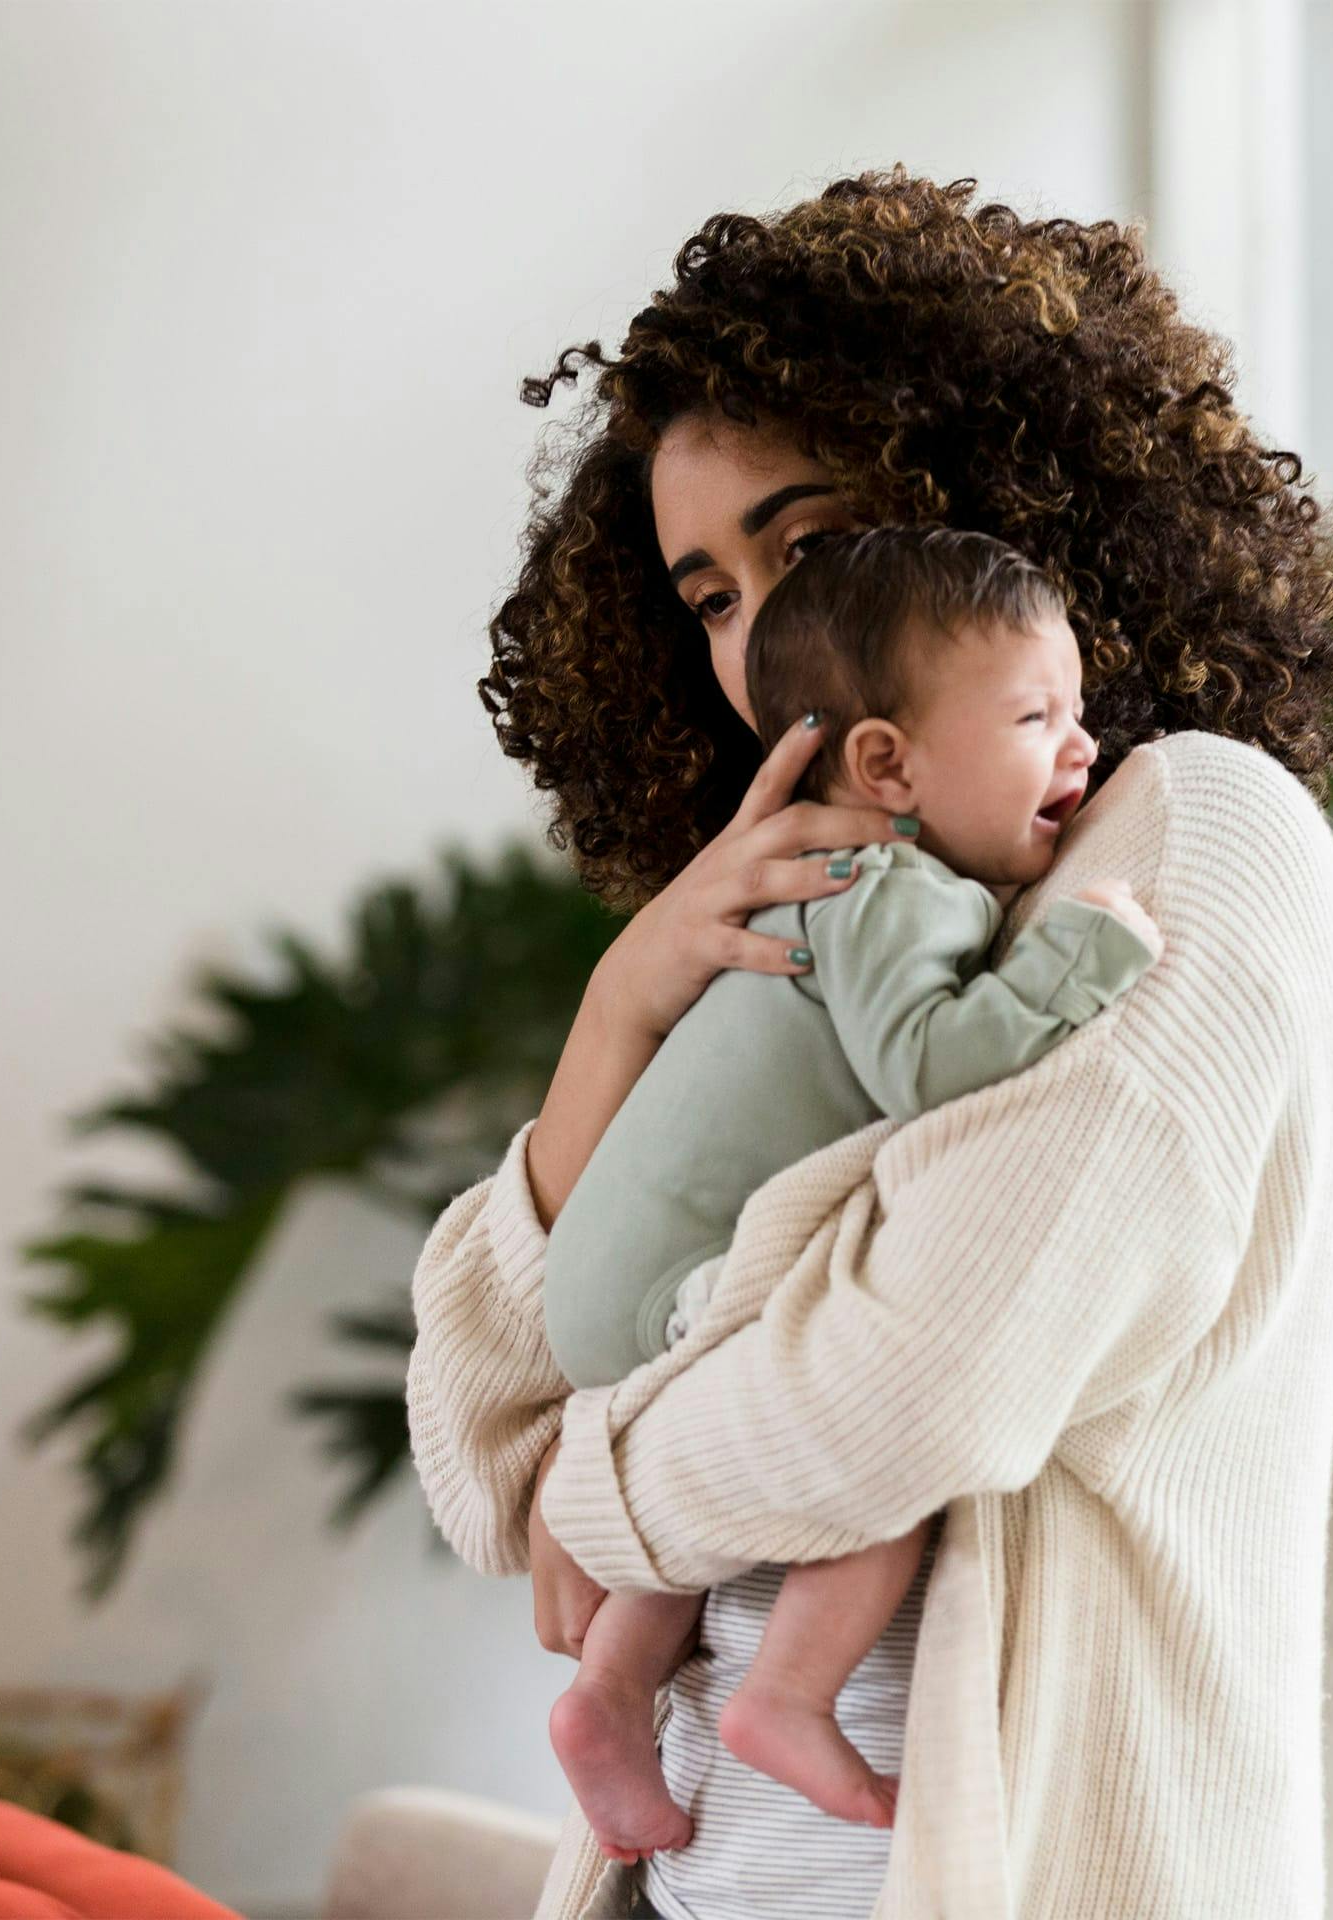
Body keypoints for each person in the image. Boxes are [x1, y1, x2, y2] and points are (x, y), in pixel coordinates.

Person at [405, 166, 1333, 1920]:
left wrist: (599, 1491)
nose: (760, 643)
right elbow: (484, 1453)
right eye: (708, 596)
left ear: (991, 515)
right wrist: (624, 1004)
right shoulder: (841, 922)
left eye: (809, 545)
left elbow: (901, 1393)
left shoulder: (1195, 839)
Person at [541, 525, 1161, 1858]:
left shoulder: (836, 889)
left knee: (757, 1402)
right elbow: (930, 1066)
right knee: (887, 1446)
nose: (1083, 747)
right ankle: (788, 1693)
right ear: (886, 765)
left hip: (613, 1277)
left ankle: (610, 1691)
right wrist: (1083, 958)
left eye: (1078, 711)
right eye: (1036, 718)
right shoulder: (894, 889)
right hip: (670, 1278)